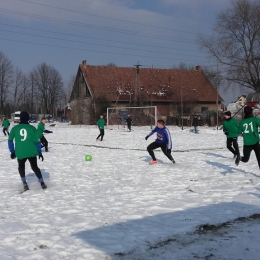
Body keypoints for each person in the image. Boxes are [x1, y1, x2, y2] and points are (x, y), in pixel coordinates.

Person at [8, 111, 47, 192]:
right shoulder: (32, 128)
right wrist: (39, 152)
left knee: (21, 166)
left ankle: (24, 183)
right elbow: (37, 141)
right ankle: (42, 182)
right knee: (35, 167)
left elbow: (10, 140)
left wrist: (12, 151)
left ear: (20, 119)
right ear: (28, 119)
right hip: (31, 152)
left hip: (20, 152)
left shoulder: (14, 128)